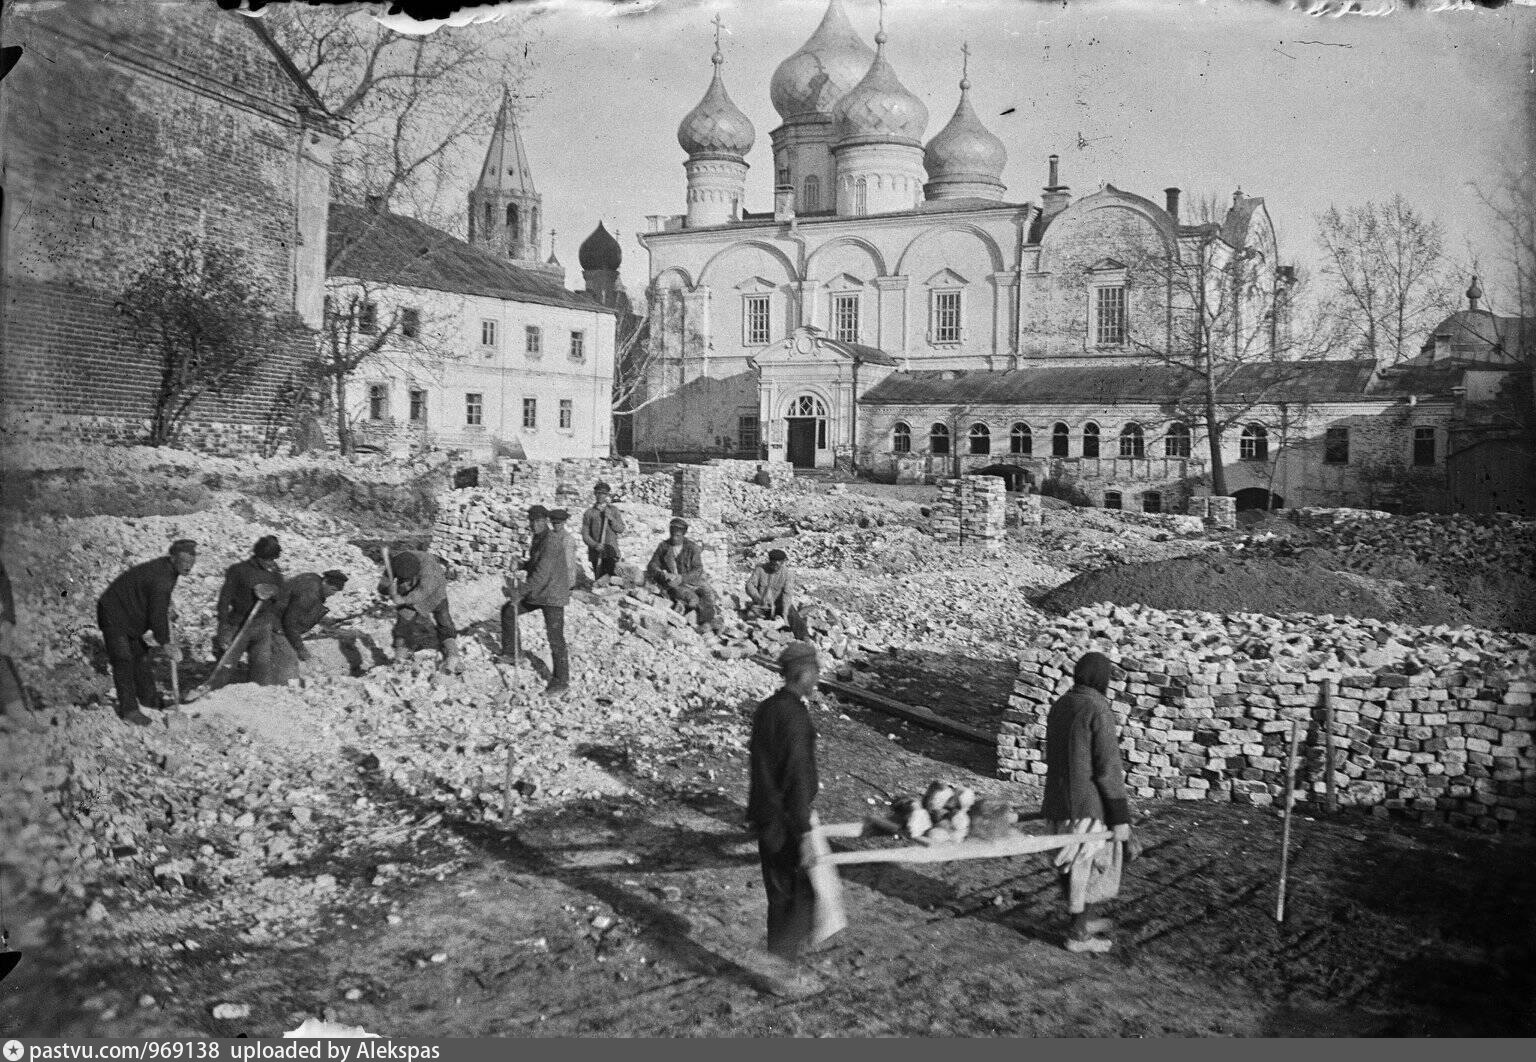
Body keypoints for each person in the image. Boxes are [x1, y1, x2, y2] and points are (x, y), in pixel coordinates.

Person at [1041, 650, 1139, 954]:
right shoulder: (1097, 708)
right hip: (1085, 803)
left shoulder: (1061, 705)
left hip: (1058, 798)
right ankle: (1077, 933)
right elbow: (1107, 767)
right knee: (1086, 864)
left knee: (1073, 863)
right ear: (1102, 679)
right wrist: (1120, 817)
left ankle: (1083, 919)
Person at [747, 640, 822, 976]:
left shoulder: (767, 708)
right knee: (799, 894)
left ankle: (780, 961)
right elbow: (797, 774)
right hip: (786, 818)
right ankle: (779, 968)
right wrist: (804, 828)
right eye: (815, 671)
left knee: (779, 894)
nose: (818, 677)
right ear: (803, 673)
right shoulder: (796, 717)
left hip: (766, 813)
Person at [96, 539, 196, 725]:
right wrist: (165, 642)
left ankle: (149, 700)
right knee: (123, 660)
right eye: (184, 562)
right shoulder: (162, 578)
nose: (188, 567)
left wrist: (168, 605)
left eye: (191, 562)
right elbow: (157, 613)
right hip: (114, 613)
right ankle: (129, 710)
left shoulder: (167, 570)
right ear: (173, 558)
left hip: (130, 613)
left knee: (140, 656)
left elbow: (157, 598)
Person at [500, 505, 572, 695]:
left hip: (553, 595)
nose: (534, 525)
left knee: (555, 638)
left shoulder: (552, 542)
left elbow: (540, 574)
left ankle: (561, 681)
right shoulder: (538, 539)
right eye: (531, 521)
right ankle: (512, 652)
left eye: (538, 521)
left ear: (545, 521)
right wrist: (522, 563)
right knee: (508, 611)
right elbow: (535, 565)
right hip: (538, 592)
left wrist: (520, 592)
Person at [214, 535, 285, 685]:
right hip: (239, 625)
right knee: (225, 667)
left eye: (273, 559)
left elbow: (281, 598)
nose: (271, 563)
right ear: (258, 556)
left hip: (263, 627)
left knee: (261, 672)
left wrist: (274, 591)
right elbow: (224, 600)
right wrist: (223, 627)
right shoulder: (239, 570)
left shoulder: (275, 573)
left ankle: (255, 701)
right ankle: (212, 695)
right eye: (268, 559)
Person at [379, 549, 460, 673]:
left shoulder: (429, 568)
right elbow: (383, 584)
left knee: (445, 623)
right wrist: (388, 589)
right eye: (403, 579)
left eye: (408, 579)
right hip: (408, 593)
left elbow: (423, 592)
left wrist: (402, 599)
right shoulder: (396, 562)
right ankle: (400, 657)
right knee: (403, 625)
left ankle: (452, 656)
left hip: (436, 595)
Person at [271, 569, 348, 682]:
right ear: (325, 582)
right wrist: (301, 650)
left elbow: (298, 608)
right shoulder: (309, 594)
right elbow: (290, 624)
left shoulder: (313, 578)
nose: (333, 594)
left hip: (275, 614)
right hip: (273, 623)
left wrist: (321, 619)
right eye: (333, 590)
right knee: (289, 664)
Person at [645, 518, 721, 633]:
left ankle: (709, 622)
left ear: (683, 534)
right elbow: (652, 566)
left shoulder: (692, 548)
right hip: (673, 584)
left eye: (678, 535)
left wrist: (683, 578)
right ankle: (698, 624)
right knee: (692, 599)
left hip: (691, 581)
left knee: (708, 593)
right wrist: (663, 575)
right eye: (672, 534)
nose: (674, 538)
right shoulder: (663, 547)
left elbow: (698, 569)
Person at [744, 549, 809, 641]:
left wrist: (785, 613)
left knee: (792, 614)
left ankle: (804, 636)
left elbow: (787, 594)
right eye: (773, 562)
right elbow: (749, 585)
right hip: (761, 604)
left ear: (783, 562)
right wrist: (758, 598)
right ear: (769, 560)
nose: (775, 565)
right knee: (751, 617)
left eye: (779, 562)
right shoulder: (760, 569)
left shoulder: (787, 574)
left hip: (779, 605)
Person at [580, 481, 625, 583]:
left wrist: (611, 519)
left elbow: (621, 529)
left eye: (603, 493)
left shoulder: (613, 510)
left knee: (613, 580)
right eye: (598, 493)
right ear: (595, 494)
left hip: (612, 552)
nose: (600, 496)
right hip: (596, 553)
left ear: (607, 495)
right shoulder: (589, 513)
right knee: (599, 582)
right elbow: (585, 535)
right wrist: (595, 545)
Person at [548, 509, 585, 590]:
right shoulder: (548, 536)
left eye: (559, 523)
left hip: (563, 580)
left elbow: (567, 564)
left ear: (564, 522)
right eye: (554, 523)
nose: (556, 525)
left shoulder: (567, 539)